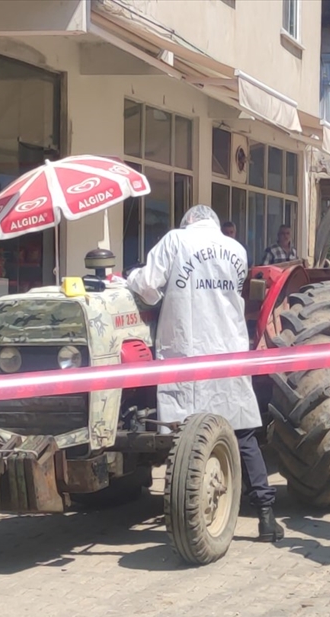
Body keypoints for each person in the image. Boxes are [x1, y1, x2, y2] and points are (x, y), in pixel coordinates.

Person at [127, 205, 284, 542]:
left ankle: (187, 514)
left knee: (183, 437)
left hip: (188, 351)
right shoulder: (237, 250)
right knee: (242, 435)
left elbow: (149, 286)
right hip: (229, 349)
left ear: (187, 222)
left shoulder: (175, 241)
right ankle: (267, 517)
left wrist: (128, 277)